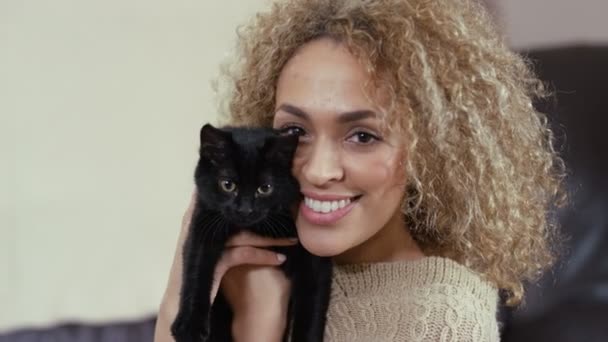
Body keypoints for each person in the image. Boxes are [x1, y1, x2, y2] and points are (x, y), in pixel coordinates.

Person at [154, 0, 567, 341]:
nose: (319, 171)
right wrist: (186, 286)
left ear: (430, 150)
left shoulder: (441, 320)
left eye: (363, 136)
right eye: (295, 131)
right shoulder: (251, 263)